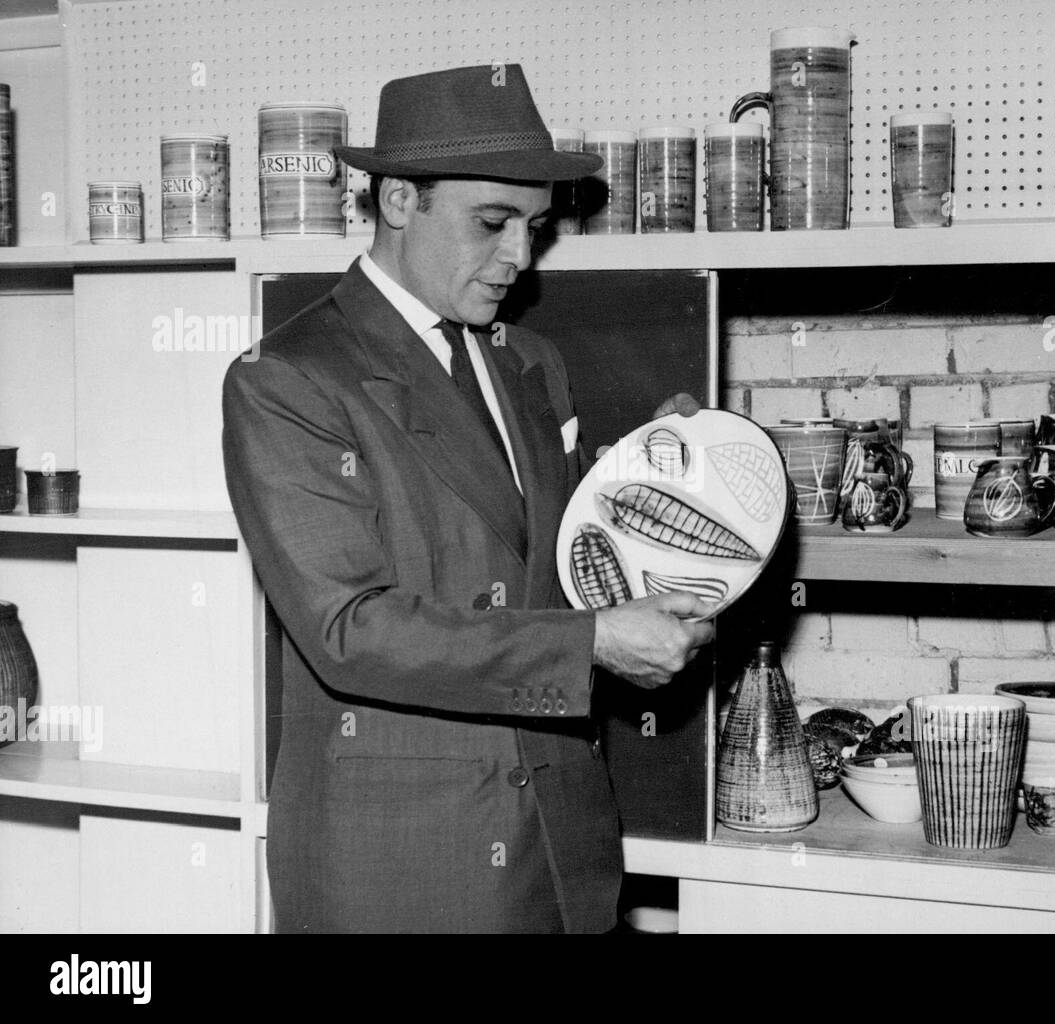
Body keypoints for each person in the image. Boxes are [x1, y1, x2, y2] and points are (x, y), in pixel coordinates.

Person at [221, 65, 714, 933]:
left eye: (533, 226)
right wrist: (595, 643)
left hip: (560, 847)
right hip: (408, 869)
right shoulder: (289, 379)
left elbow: (550, 560)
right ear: (400, 200)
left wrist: (658, 475)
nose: (521, 258)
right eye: (491, 224)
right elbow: (350, 630)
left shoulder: (528, 363)